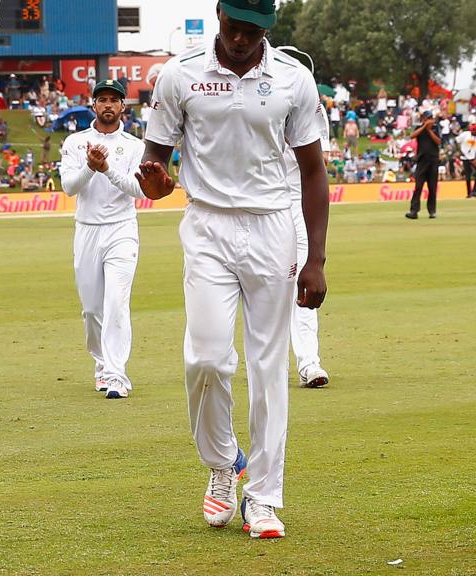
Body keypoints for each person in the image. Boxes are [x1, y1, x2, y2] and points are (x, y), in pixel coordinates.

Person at [139, 0, 328, 539]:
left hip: (272, 225)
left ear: (268, 28)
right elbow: (156, 160)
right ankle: (223, 463)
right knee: (205, 357)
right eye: (233, 27)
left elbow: (313, 172)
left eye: (253, 31)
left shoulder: (293, 79)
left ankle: (264, 498)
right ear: (218, 14)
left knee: (268, 368)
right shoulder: (180, 74)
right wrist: (154, 180)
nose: (242, 39)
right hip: (207, 225)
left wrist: (315, 258)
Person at [60, 79, 147, 400]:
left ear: (123, 106)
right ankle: (101, 364)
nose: (108, 105)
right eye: (102, 100)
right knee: (92, 310)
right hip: (87, 230)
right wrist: (90, 167)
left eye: (114, 100)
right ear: (92, 105)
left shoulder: (135, 146)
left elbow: (139, 190)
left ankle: (116, 374)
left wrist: (107, 168)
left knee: (116, 305)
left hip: (122, 229)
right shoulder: (75, 142)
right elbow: (69, 186)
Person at [276, 46, 332, 389]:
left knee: (305, 287)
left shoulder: (310, 108)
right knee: (266, 293)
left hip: (296, 203)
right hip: (261, 204)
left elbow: (315, 165)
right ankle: (271, 363)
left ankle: (310, 362)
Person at [406, 110, 441, 219]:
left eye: (431, 118)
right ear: (423, 119)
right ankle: (414, 211)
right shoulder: (419, 128)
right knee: (418, 187)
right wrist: (424, 127)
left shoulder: (436, 128)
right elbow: (412, 136)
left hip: (433, 160)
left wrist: (430, 130)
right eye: (427, 118)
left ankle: (432, 211)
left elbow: (438, 141)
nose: (430, 120)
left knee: (432, 187)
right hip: (422, 160)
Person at [461, 123, 476, 198]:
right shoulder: (465, 134)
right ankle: (469, 193)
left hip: (473, 158)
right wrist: (461, 152)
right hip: (465, 158)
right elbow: (457, 141)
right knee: (468, 176)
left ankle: (474, 191)